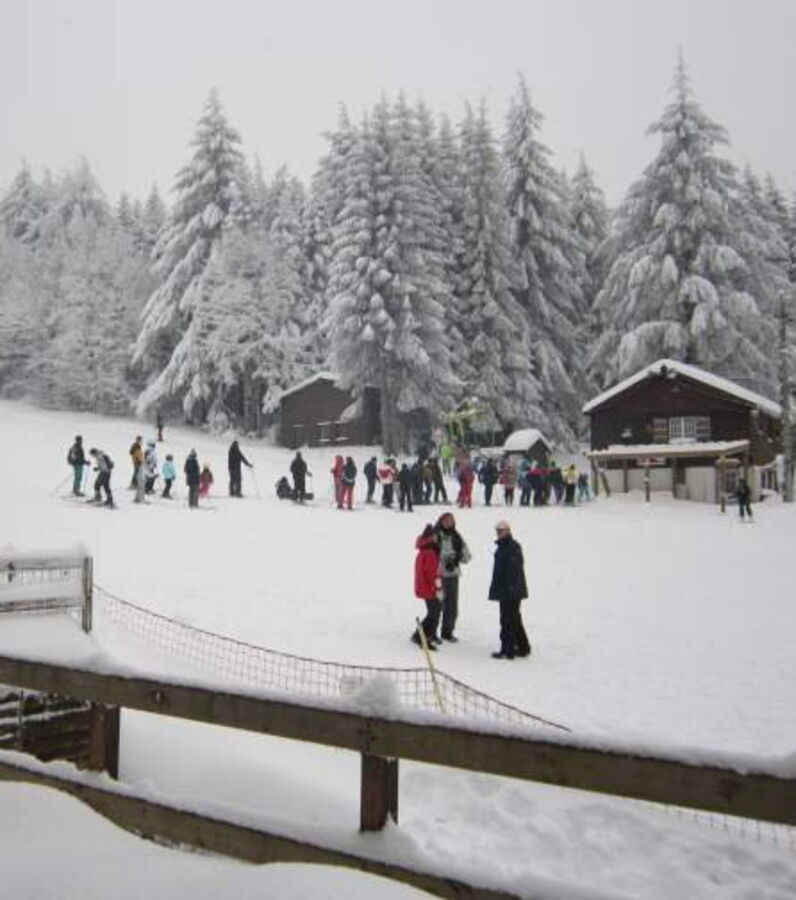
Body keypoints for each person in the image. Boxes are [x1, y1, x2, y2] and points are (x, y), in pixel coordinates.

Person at [488, 520, 531, 660]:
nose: (499, 533)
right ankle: (523, 647)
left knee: (508, 620)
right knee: (514, 619)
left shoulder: (512, 547)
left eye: (502, 531)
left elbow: (514, 570)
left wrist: (511, 589)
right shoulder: (503, 547)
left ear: (508, 531)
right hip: (506, 590)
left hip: (511, 591)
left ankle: (508, 649)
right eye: (498, 531)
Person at [435, 512, 471, 642]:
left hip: (453, 577)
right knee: (437, 605)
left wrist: (456, 559)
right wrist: (445, 559)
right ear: (442, 522)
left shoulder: (457, 537)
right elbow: (430, 554)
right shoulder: (436, 535)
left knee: (452, 607)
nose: (449, 523)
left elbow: (467, 556)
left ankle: (447, 632)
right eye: (447, 521)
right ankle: (432, 631)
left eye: (452, 521)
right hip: (438, 577)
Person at [411, 524, 442, 650]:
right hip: (430, 588)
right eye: (435, 536)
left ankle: (421, 635)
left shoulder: (426, 550)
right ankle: (423, 637)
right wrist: (438, 588)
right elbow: (433, 574)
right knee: (433, 614)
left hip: (425, 587)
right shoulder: (430, 552)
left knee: (433, 612)